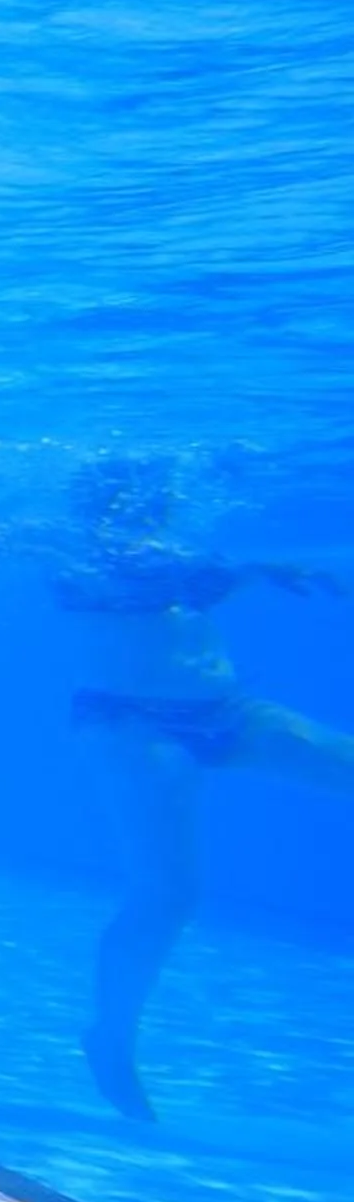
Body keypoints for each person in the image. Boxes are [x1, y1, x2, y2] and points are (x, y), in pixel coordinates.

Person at [52, 455, 352, 1122]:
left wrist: (249, 570)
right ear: (103, 507)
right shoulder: (76, 560)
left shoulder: (173, 552)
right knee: (169, 892)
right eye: (135, 503)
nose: (149, 514)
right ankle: (111, 1037)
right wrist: (252, 570)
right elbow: (139, 585)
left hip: (228, 712)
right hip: (130, 726)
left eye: (156, 503)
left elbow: (185, 578)